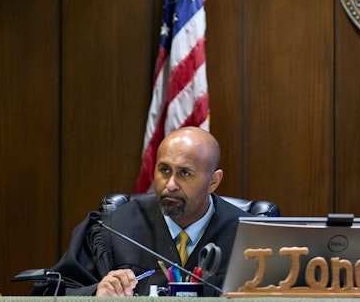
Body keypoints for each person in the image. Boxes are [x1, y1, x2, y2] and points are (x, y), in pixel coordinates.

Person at [32, 127, 251, 297]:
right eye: (164, 170)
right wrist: (96, 292)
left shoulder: (248, 238)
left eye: (185, 173)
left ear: (213, 181)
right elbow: (55, 290)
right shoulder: (114, 229)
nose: (170, 184)